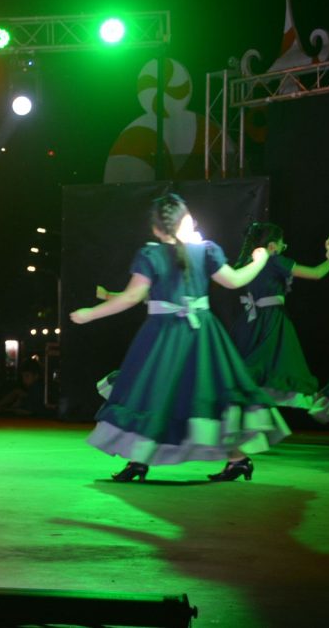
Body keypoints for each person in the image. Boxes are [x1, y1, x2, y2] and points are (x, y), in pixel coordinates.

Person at [69, 193, 290, 482]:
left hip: (164, 338)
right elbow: (235, 280)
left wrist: (90, 313)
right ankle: (222, 459)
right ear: (185, 222)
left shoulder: (154, 254)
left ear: (157, 229)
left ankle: (225, 459)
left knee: (156, 394)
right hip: (201, 336)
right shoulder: (203, 251)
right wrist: (259, 259)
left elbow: (132, 297)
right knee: (204, 398)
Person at [228, 223, 329, 420]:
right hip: (272, 321)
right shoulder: (275, 260)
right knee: (278, 367)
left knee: (249, 371)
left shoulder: (246, 261)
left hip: (248, 323)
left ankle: (241, 426)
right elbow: (316, 273)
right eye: (282, 244)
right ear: (273, 246)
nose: (284, 247)